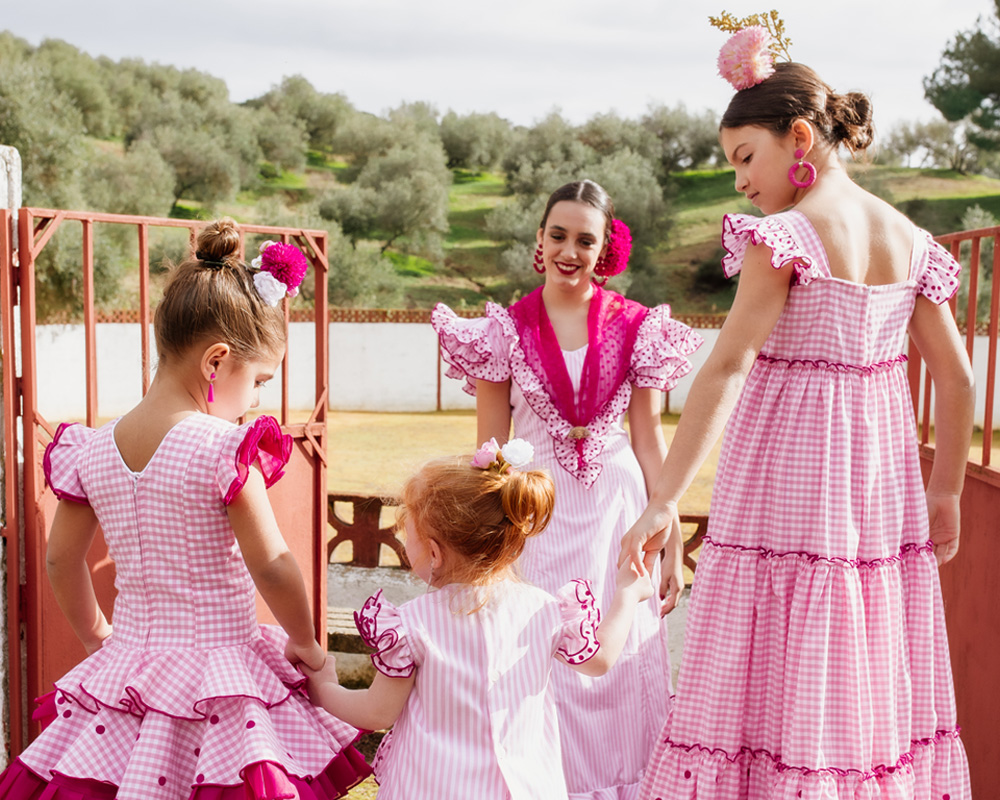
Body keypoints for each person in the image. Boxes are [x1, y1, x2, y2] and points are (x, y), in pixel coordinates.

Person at [621, 29, 975, 800]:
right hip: (877, 495)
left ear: (800, 139)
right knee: (851, 650)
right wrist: (945, 489)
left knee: (772, 650)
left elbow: (729, 364)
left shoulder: (785, 237)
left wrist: (665, 497)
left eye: (746, 157)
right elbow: (957, 378)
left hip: (787, 480)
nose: (740, 182)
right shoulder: (912, 241)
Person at [0, 219, 369, 800]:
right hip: (219, 676)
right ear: (216, 362)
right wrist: (306, 642)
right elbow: (272, 563)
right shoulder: (224, 449)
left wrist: (97, 638)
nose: (257, 398)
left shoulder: (90, 449)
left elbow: (59, 561)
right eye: (260, 380)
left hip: (128, 670)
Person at [432, 179, 703, 798]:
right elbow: (490, 454)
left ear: (605, 249)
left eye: (585, 239)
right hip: (536, 518)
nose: (570, 251)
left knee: (622, 655)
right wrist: (480, 547)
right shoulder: (503, 331)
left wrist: (673, 541)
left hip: (621, 517)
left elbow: (649, 441)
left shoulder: (637, 327)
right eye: (558, 235)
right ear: (540, 238)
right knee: (545, 653)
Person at [302, 439, 655, 800]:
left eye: (408, 535)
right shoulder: (544, 610)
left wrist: (325, 689)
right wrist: (627, 595)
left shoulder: (413, 624)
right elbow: (601, 659)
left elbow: (377, 712)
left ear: (434, 553)